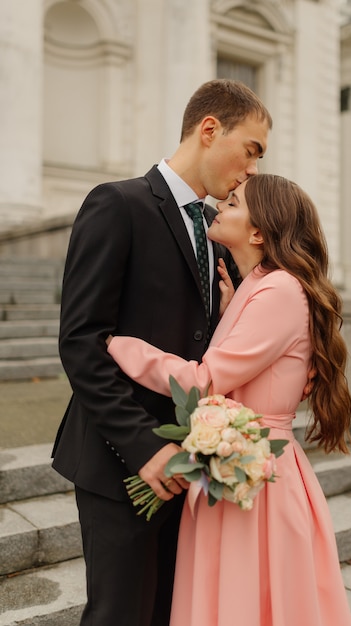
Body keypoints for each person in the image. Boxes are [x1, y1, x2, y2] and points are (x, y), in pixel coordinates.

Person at [51, 79, 273, 626]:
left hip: (188, 467)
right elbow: (81, 340)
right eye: (251, 149)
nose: (252, 170)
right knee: (119, 616)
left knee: (168, 612)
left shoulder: (214, 229)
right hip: (117, 459)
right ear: (209, 129)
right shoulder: (118, 203)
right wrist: (142, 446)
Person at [107, 173, 351, 626]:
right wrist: (232, 309)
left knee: (245, 604)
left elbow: (203, 381)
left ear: (258, 231)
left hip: (256, 479)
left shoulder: (280, 289)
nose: (221, 203)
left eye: (234, 203)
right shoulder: (259, 284)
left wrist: (120, 345)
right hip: (234, 467)